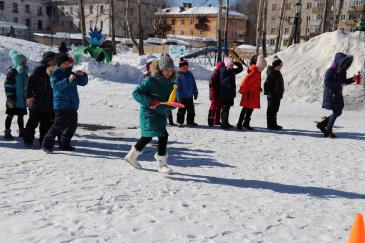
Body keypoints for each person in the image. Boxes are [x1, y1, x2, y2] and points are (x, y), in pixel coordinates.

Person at [124, 54, 175, 174]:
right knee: (158, 135)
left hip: (161, 114)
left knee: (150, 136)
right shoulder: (150, 81)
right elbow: (136, 93)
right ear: (160, 69)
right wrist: (150, 101)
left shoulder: (171, 84)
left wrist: (173, 104)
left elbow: (170, 101)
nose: (168, 72)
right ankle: (162, 164)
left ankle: (131, 156)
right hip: (148, 113)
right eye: (166, 69)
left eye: (171, 70)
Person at [42, 53, 88, 153]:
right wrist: (68, 80)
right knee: (58, 126)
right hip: (61, 105)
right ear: (59, 64)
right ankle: (47, 144)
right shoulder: (55, 74)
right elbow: (56, 86)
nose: (68, 64)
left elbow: (83, 83)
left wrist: (83, 75)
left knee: (72, 126)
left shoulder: (71, 73)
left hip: (72, 105)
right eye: (66, 63)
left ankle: (65, 144)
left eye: (68, 62)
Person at [316, 52, 355, 138]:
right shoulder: (331, 70)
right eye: (343, 63)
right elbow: (327, 83)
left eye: (345, 63)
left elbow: (343, 81)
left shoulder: (342, 71)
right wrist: (339, 84)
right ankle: (328, 129)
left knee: (338, 111)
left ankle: (322, 125)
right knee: (337, 111)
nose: (345, 65)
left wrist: (353, 79)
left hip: (337, 93)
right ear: (338, 62)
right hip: (331, 94)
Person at [23, 52, 57, 148]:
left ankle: (44, 141)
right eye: (53, 59)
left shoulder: (56, 70)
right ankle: (28, 140)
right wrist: (29, 96)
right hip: (36, 102)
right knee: (32, 123)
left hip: (49, 103)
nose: (55, 61)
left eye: (55, 59)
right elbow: (29, 84)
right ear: (47, 60)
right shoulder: (39, 70)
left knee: (46, 124)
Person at [4, 50, 29, 140]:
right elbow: (7, 85)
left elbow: (27, 85)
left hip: (22, 99)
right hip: (13, 99)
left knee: (21, 116)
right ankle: (7, 131)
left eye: (25, 62)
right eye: (23, 62)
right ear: (18, 62)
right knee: (10, 115)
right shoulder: (12, 72)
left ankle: (21, 131)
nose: (25, 63)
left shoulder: (24, 73)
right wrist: (10, 97)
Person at [237, 55, 267, 130]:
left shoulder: (257, 71)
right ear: (258, 65)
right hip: (249, 93)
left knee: (250, 109)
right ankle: (239, 123)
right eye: (262, 68)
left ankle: (246, 123)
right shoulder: (254, 71)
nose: (263, 69)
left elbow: (255, 81)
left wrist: (258, 87)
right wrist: (242, 88)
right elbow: (246, 80)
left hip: (253, 93)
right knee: (245, 108)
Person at [220, 57, 243, 129]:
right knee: (225, 109)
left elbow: (240, 69)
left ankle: (226, 122)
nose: (232, 66)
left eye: (232, 65)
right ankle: (224, 124)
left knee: (228, 108)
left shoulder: (232, 70)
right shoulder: (223, 70)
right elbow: (222, 82)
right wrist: (229, 77)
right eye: (230, 65)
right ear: (226, 65)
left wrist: (235, 62)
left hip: (230, 93)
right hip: (224, 93)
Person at [176, 58, 198, 127]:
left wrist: (195, 92)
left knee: (191, 110)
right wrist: (179, 97)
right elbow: (177, 88)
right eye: (184, 67)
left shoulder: (190, 74)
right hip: (182, 97)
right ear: (180, 67)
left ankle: (190, 121)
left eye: (187, 66)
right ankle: (180, 122)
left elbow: (194, 84)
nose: (186, 68)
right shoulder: (178, 76)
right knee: (181, 110)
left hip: (190, 96)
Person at [264, 56, 285, 130]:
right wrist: (268, 93)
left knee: (275, 110)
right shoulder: (272, 73)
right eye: (280, 65)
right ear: (276, 65)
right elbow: (266, 84)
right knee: (271, 110)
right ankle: (270, 125)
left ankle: (274, 124)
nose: (281, 67)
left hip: (277, 95)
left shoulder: (277, 73)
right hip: (272, 95)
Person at [208, 61, 224, 127]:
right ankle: (210, 121)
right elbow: (211, 84)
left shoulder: (221, 73)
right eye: (222, 67)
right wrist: (217, 87)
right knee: (213, 107)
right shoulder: (215, 73)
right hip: (214, 93)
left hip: (219, 93)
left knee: (219, 107)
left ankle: (217, 121)